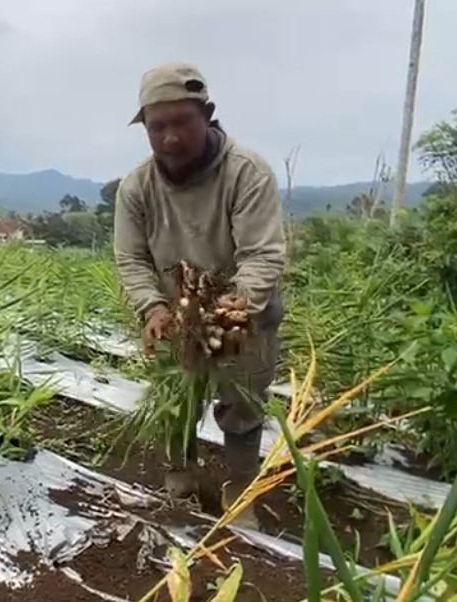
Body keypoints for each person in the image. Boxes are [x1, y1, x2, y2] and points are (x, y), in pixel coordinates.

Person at [113, 62, 286, 529]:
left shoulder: (246, 173)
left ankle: (238, 491)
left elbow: (263, 256)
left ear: (207, 114)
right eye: (157, 126)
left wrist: (231, 309)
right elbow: (131, 259)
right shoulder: (137, 188)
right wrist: (152, 306)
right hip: (176, 313)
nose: (170, 137)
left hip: (241, 314)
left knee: (241, 404)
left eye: (182, 122)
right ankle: (180, 476)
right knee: (176, 397)